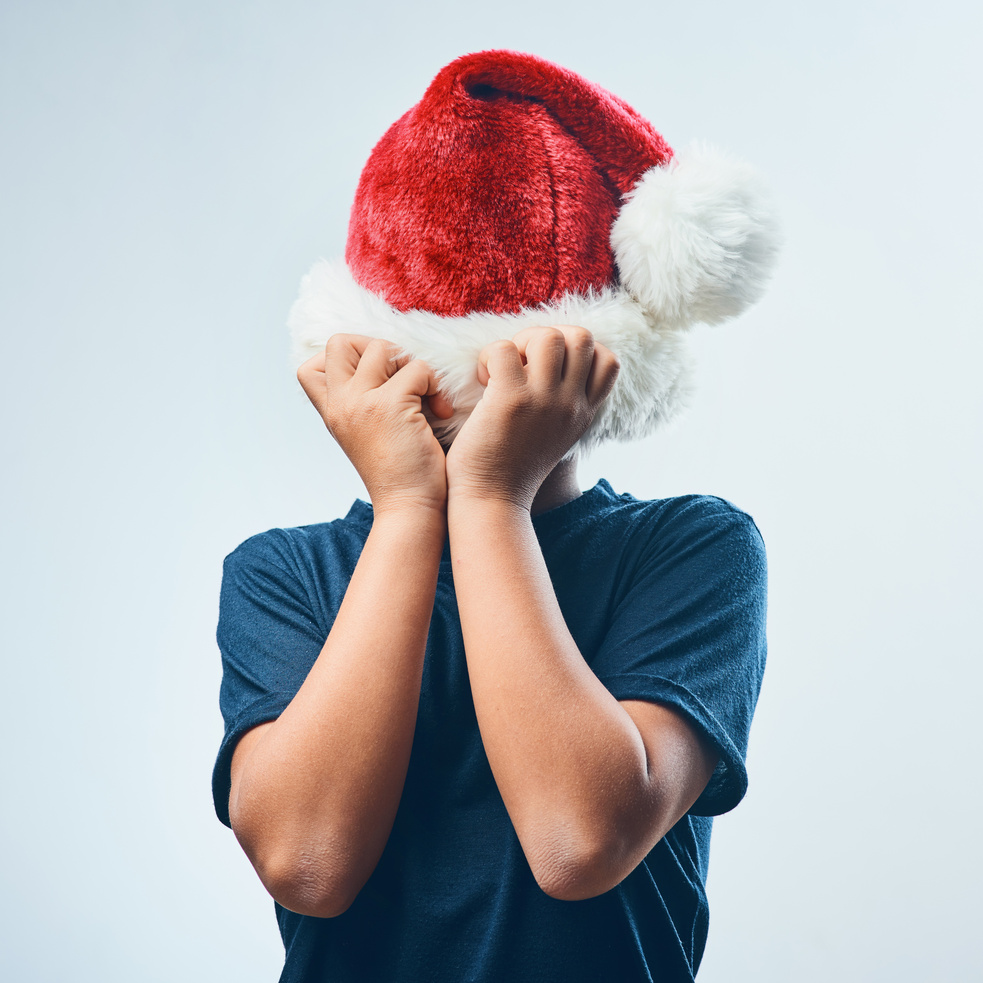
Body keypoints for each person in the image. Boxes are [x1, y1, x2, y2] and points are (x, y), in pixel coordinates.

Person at [213, 50, 778, 982]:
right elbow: (307, 864)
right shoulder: (283, 575)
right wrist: (405, 509)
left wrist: (487, 498)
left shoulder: (692, 551)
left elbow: (577, 840)